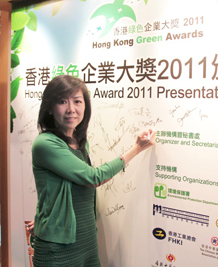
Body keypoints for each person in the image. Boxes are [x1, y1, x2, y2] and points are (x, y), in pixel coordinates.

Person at [27, 75, 155, 266]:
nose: (71, 109)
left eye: (77, 101)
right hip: (58, 246)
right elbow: (93, 178)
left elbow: (55, 191)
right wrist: (136, 149)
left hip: (85, 239)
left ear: (85, 106)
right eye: (62, 101)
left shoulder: (78, 143)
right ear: (51, 108)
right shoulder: (45, 143)